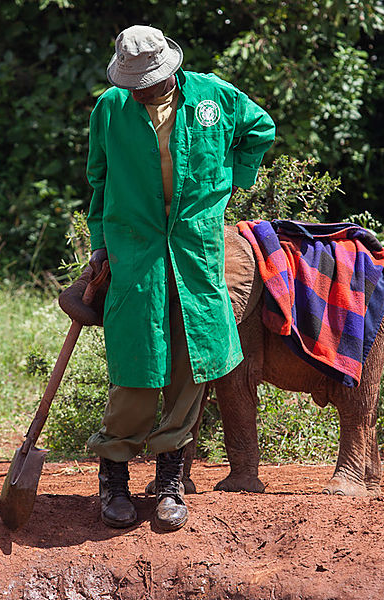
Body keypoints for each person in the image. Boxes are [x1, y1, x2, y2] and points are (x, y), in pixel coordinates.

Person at [85, 24, 275, 531]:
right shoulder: (110, 109)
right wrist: (100, 245)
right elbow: (99, 181)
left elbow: (261, 130)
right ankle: (114, 479)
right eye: (134, 83)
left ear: (170, 69)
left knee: (192, 361)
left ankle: (170, 479)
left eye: (150, 81)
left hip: (194, 249)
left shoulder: (214, 96)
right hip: (134, 250)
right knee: (137, 365)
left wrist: (228, 183)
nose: (142, 90)